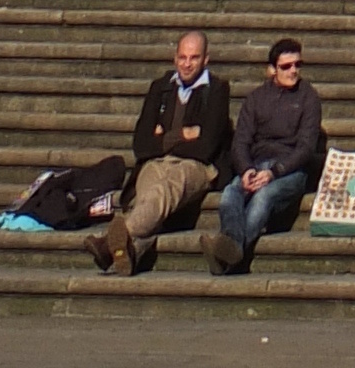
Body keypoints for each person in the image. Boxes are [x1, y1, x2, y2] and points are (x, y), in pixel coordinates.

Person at [91, 29, 234, 275]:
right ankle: (129, 252)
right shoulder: (160, 87)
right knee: (149, 198)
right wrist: (182, 134)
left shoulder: (217, 90)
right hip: (155, 162)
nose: (187, 64)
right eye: (182, 57)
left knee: (163, 191)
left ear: (205, 59)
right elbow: (142, 145)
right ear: (174, 58)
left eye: (194, 58)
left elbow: (206, 146)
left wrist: (163, 136)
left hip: (196, 166)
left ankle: (113, 238)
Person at [210, 38, 325, 277]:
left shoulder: (309, 98)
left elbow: (305, 148)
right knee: (230, 194)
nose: (293, 71)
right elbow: (240, 142)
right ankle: (231, 254)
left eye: (297, 65)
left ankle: (227, 254)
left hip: (290, 170)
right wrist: (246, 170)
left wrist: (275, 172)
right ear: (272, 69)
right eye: (286, 66)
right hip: (256, 164)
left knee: (263, 197)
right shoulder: (256, 99)